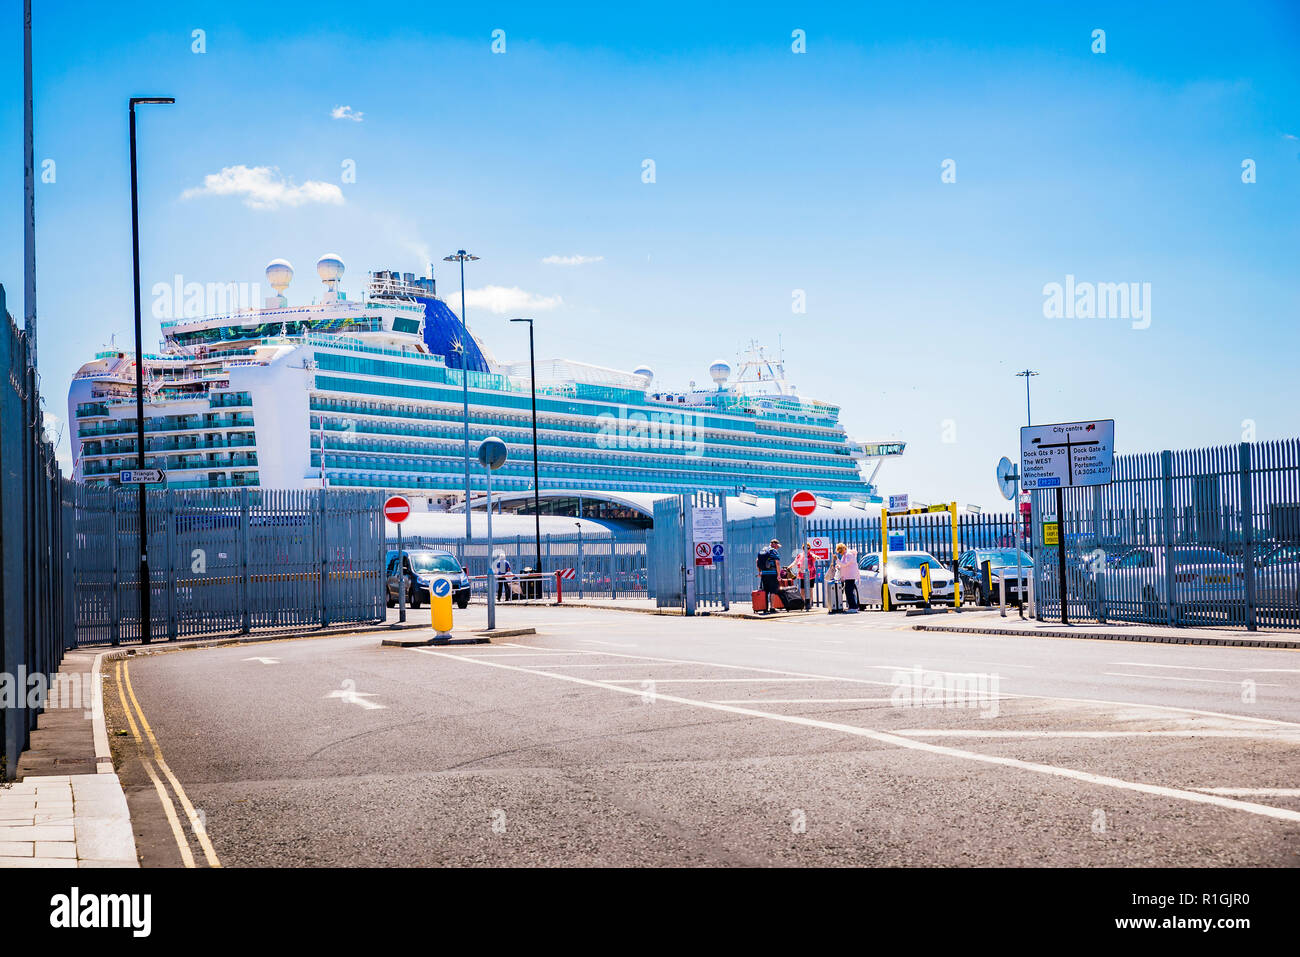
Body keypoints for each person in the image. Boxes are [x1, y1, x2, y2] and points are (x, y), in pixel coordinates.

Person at [755, 538, 783, 613]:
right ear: (774, 544)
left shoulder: (763, 550)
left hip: (764, 574)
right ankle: (772, 608)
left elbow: (757, 561)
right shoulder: (773, 551)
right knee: (772, 591)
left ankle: (765, 608)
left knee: (765, 591)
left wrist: (760, 572)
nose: (777, 548)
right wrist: (779, 574)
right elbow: (777, 563)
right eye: (777, 546)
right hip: (772, 574)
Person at [836, 543, 861, 612]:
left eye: (840, 552)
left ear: (844, 549)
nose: (840, 553)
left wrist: (837, 560)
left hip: (850, 575)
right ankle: (852, 606)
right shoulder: (845, 555)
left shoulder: (848, 554)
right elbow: (844, 564)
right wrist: (839, 565)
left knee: (849, 591)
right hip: (848, 575)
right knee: (849, 591)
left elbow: (845, 564)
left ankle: (853, 607)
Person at [789, 542, 815, 607]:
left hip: (810, 575)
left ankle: (810, 603)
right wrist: (789, 567)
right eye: (804, 548)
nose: (806, 549)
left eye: (808, 548)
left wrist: (815, 557)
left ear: (810, 549)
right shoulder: (800, 555)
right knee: (802, 589)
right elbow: (795, 562)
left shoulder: (811, 555)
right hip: (802, 575)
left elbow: (815, 557)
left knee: (810, 589)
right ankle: (802, 603)